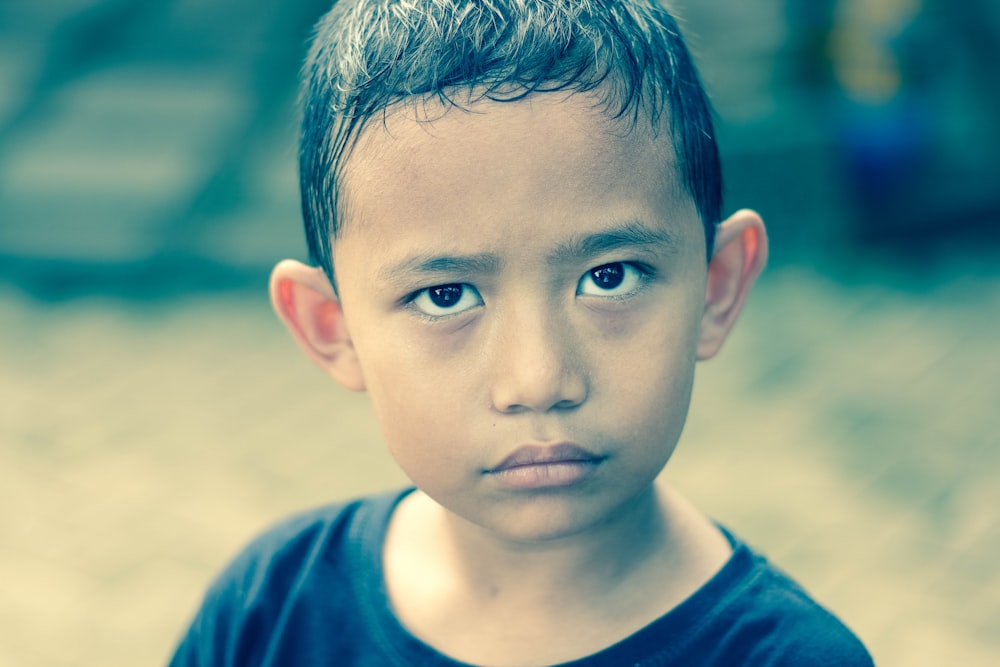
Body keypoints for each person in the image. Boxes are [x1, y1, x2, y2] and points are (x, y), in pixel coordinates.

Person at [169, 1, 874, 665]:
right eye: (446, 295)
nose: (538, 380)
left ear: (716, 285)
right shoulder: (269, 616)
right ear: (333, 327)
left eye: (610, 277)